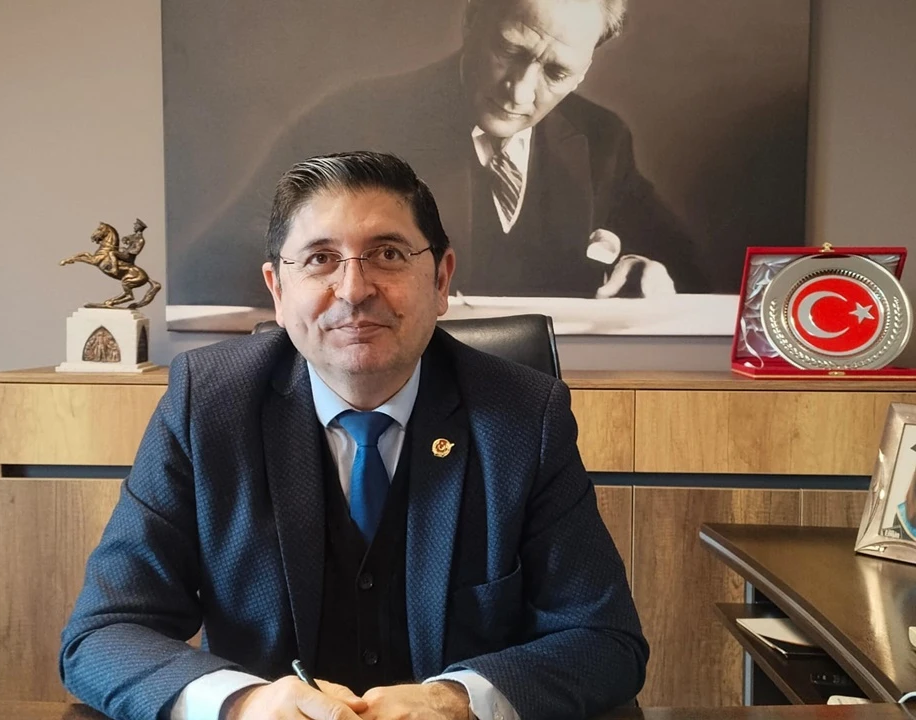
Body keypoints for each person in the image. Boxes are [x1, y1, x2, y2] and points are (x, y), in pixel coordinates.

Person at [61, 151, 647, 720]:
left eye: (388, 254)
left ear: (441, 278)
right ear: (278, 290)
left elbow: (604, 639)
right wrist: (242, 704)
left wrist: (460, 700)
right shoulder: (209, 405)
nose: (353, 289)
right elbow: (103, 633)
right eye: (320, 259)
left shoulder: (524, 416)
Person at [170, 0, 711, 309]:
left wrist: (650, 275)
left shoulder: (602, 138)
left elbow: (694, 272)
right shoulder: (356, 118)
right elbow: (216, 263)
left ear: (586, 69)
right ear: (472, 21)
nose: (519, 91)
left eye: (556, 71)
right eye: (511, 50)